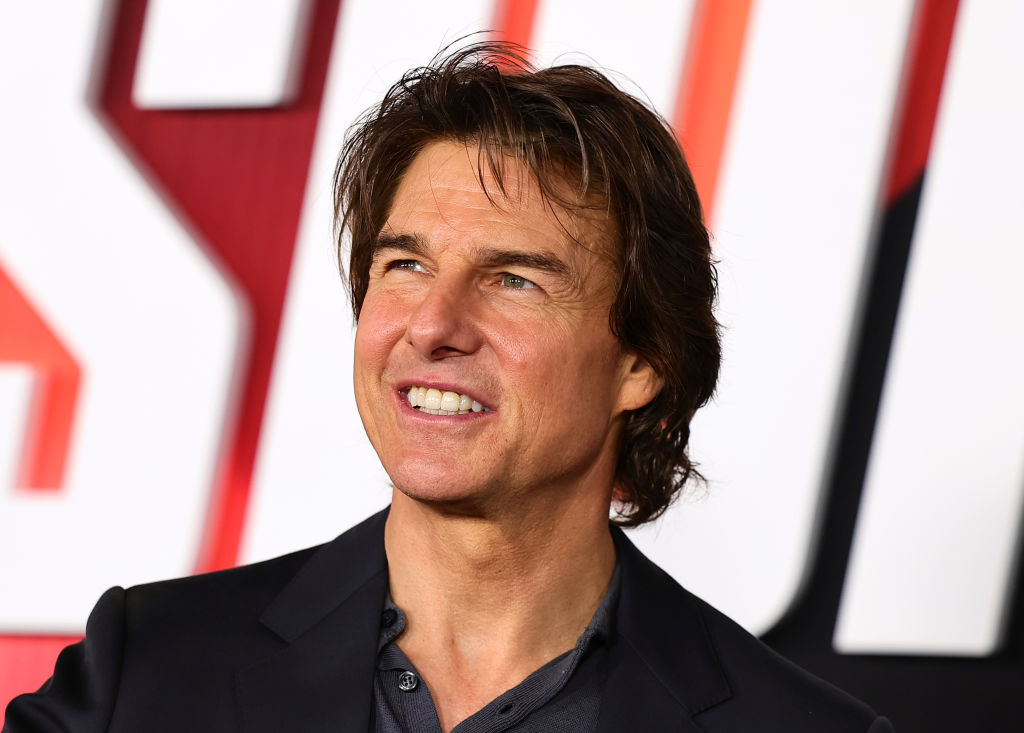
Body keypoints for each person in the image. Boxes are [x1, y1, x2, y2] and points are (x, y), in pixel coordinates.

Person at [4, 42, 893, 732]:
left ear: (642, 361)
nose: (432, 325)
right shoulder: (147, 671)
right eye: (406, 264)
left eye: (514, 279)